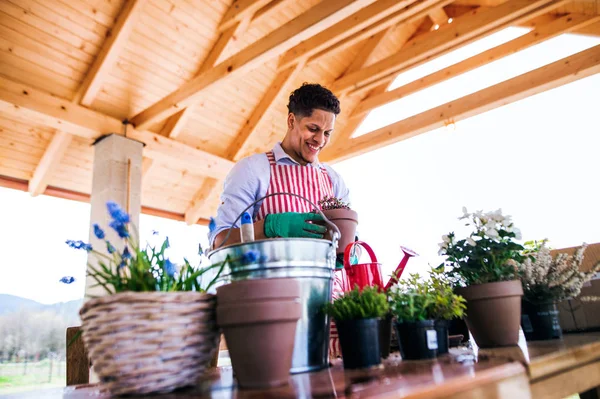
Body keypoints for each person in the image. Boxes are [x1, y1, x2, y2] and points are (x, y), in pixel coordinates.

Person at [209, 83, 350, 249]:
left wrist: (347, 251)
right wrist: (269, 226)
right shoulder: (252, 170)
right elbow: (220, 241)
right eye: (313, 129)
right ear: (291, 121)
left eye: (327, 133)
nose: (320, 140)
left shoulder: (334, 181)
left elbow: (351, 246)